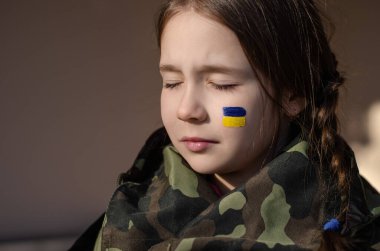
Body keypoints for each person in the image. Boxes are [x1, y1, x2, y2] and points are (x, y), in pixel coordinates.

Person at [70, 0, 380, 250]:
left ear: (292, 93)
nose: (186, 110)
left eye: (221, 84)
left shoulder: (353, 227)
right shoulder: (128, 213)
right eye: (172, 82)